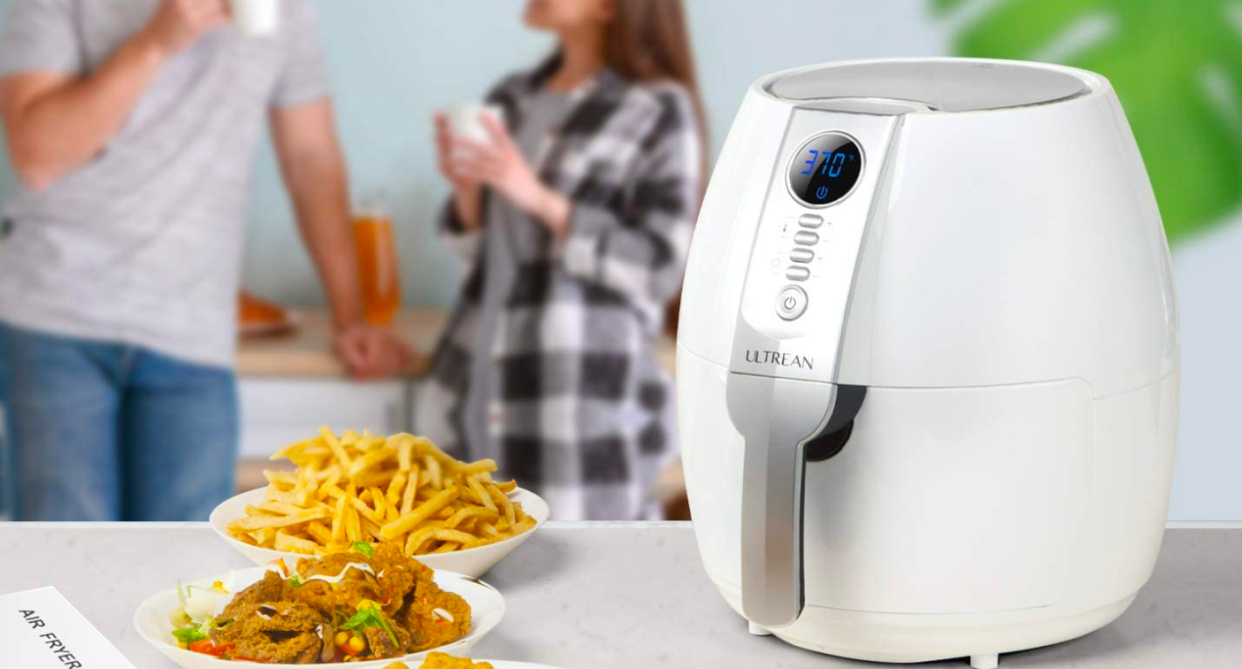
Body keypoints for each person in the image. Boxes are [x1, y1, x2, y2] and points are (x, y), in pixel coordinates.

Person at [0, 0, 410, 521]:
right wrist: (156, 42)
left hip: (193, 332)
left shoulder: (285, 9)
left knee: (186, 574)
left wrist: (351, 318)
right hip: (55, 319)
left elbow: (312, 162)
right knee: (65, 565)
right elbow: (37, 156)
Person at [418, 0, 707, 520]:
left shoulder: (658, 109)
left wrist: (536, 197)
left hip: (575, 406)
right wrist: (468, 192)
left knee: (586, 585)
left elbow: (659, 264)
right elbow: (488, 257)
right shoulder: (512, 97)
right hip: (477, 389)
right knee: (475, 586)